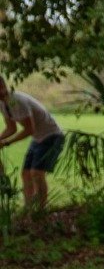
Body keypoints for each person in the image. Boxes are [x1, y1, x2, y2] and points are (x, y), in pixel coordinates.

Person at [0, 79, 65, 211]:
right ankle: (29, 210)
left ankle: (41, 210)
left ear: (2, 87)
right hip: (38, 138)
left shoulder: (17, 101)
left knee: (36, 173)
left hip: (52, 135)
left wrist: (6, 143)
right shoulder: (3, 104)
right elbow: (11, 128)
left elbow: (30, 129)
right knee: (26, 174)